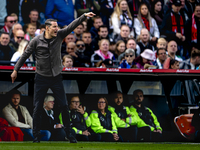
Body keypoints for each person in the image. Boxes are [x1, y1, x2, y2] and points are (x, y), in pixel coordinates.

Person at [10, 12, 96, 143]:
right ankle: (36, 136)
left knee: (64, 106)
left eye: (57, 26)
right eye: (54, 27)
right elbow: (25, 55)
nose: (57, 29)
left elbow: (72, 26)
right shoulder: (36, 40)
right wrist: (15, 70)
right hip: (41, 77)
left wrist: (83, 16)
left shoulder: (60, 35)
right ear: (47, 28)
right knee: (37, 107)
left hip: (56, 77)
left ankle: (69, 134)